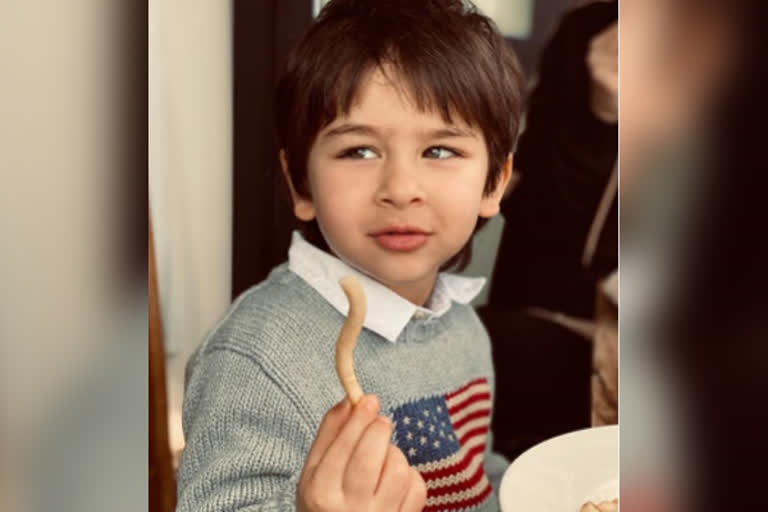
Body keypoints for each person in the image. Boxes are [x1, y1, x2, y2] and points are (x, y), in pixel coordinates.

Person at [175, 1, 524, 510]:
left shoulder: (462, 327)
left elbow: (477, 477)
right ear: (300, 182)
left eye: (440, 151)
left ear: (494, 181)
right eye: (359, 151)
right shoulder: (254, 360)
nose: (401, 189)